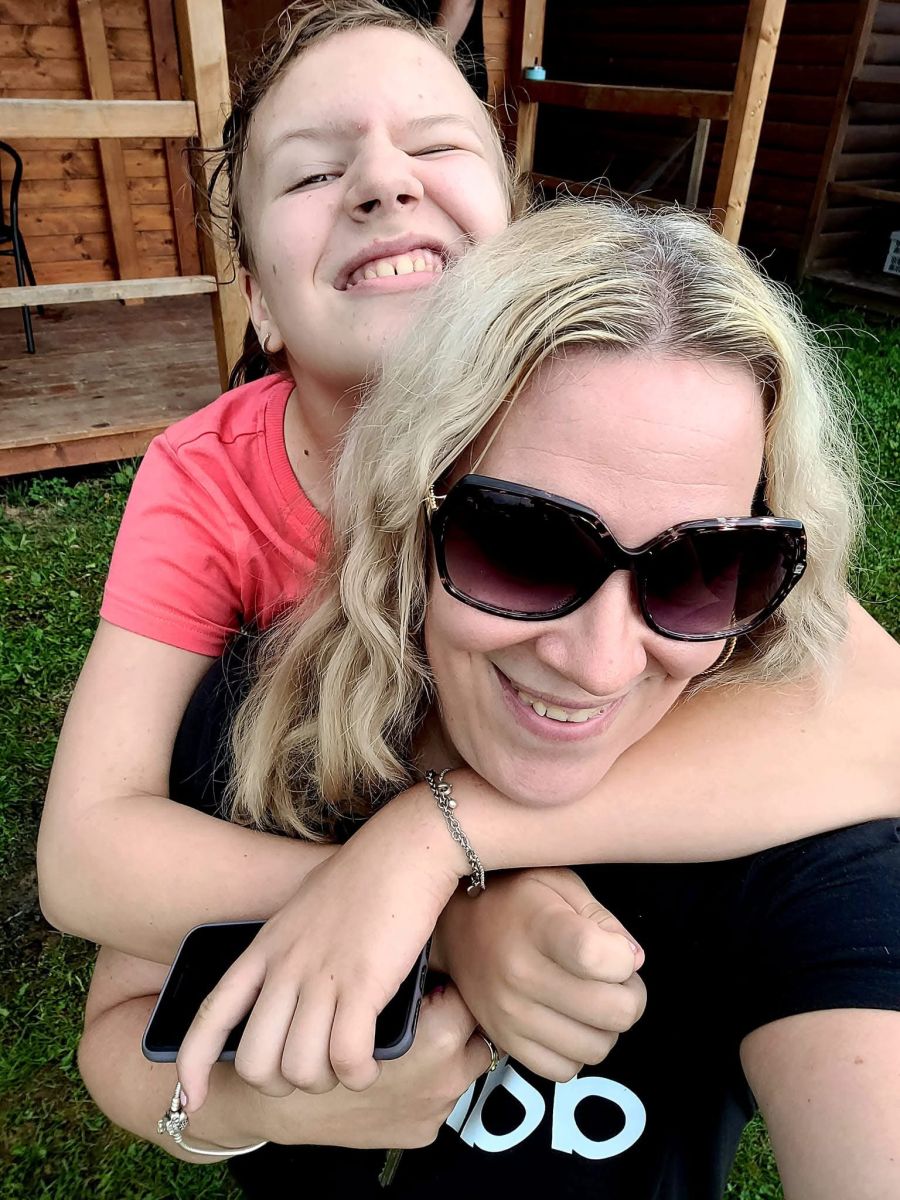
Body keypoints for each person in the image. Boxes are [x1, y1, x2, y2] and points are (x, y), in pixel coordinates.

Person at [37, 1, 898, 992]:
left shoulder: (616, 423)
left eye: (435, 147)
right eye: (314, 172)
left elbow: (874, 715)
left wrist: (447, 839)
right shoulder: (208, 476)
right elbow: (89, 850)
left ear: (515, 241)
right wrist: (434, 915)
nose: (383, 182)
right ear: (259, 300)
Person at [78, 200, 900, 1198]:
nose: (600, 663)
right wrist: (260, 1110)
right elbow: (119, 1029)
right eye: (525, 543)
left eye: (705, 567)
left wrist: (438, 839)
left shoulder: (792, 829)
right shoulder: (266, 719)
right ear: (407, 512)